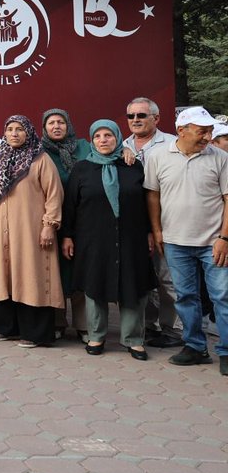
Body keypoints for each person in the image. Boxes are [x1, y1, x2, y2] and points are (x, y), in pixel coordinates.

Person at [144, 106, 228, 375]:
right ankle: (195, 347)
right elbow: (153, 196)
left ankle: (226, 351)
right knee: (185, 297)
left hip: (213, 242)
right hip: (175, 242)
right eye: (202, 131)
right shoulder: (158, 156)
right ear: (181, 130)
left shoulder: (220, 158)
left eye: (210, 131)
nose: (207, 136)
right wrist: (157, 231)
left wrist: (224, 237)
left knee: (222, 297)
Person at [61, 120, 154, 360]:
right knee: (95, 285)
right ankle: (96, 335)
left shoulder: (133, 166)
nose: (103, 140)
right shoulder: (82, 168)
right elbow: (70, 206)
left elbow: (145, 204)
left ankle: (133, 339)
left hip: (131, 235)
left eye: (108, 135)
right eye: (98, 136)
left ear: (117, 138)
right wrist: (68, 236)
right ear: (91, 140)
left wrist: (149, 232)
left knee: (132, 284)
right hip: (92, 238)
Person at [0, 115, 64, 348]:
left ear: (29, 132)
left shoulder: (40, 159)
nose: (14, 133)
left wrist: (49, 225)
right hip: (1, 231)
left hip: (31, 231)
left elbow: (54, 195)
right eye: (10, 129)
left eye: (19, 129)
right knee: (3, 277)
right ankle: (8, 328)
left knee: (31, 277)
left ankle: (35, 333)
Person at [123, 96, 181, 348]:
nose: (135, 120)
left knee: (167, 279)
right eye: (131, 116)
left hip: (166, 221)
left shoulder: (172, 144)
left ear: (156, 118)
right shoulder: (121, 145)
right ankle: (149, 326)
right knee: (141, 278)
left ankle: (174, 330)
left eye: (141, 115)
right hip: (133, 225)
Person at [41, 108, 94, 340]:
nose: (56, 126)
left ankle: (83, 324)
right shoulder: (39, 151)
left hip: (84, 219)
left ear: (68, 124)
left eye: (61, 121)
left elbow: (107, 156)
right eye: (51, 123)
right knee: (55, 270)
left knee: (81, 269)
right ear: (44, 128)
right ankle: (58, 321)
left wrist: (127, 152)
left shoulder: (84, 147)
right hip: (52, 218)